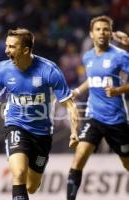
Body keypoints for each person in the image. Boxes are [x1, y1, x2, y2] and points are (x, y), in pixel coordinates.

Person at [0, 28, 79, 200]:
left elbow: (70, 105)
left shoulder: (49, 71)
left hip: (42, 133)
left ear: (25, 50)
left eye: (12, 47)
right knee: (18, 173)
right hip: (16, 125)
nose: (6, 51)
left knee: (32, 187)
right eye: (6, 46)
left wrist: (75, 131)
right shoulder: (3, 69)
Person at [67, 15, 129, 200]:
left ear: (110, 34)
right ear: (91, 34)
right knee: (79, 158)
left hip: (116, 120)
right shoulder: (87, 57)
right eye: (98, 29)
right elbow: (92, 80)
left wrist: (118, 90)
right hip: (94, 117)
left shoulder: (120, 55)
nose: (102, 33)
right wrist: (77, 91)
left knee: (127, 164)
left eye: (105, 29)